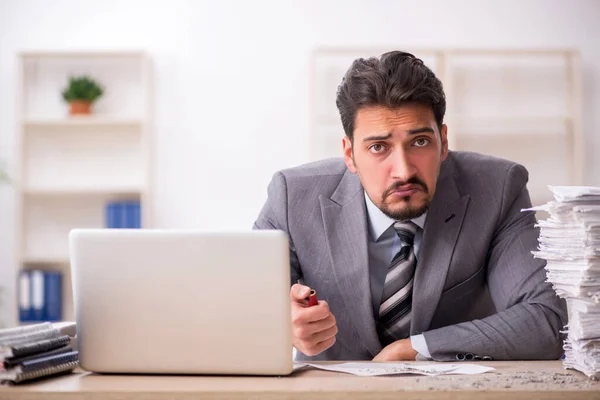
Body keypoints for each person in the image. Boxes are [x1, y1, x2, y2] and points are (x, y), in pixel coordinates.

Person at [253, 51, 567, 362]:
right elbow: (237, 305)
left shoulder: (497, 188)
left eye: (419, 142)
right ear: (349, 154)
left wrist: (416, 349)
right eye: (378, 147)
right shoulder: (292, 197)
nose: (403, 171)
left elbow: (546, 321)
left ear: (443, 141)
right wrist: (279, 320)